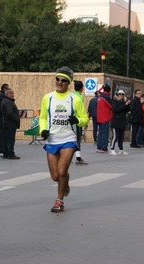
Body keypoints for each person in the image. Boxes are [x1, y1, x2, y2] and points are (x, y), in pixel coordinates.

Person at [39, 66, 88, 213]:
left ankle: (59, 202)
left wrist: (77, 120)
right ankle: (65, 180)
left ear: (69, 83)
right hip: (52, 139)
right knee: (55, 176)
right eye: (57, 79)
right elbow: (42, 117)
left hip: (68, 138)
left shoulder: (75, 99)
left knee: (61, 171)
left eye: (63, 80)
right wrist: (43, 130)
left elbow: (85, 119)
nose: (60, 82)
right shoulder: (48, 98)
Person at [109, 90, 130, 155]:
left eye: (122, 94)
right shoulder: (114, 101)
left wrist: (128, 104)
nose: (121, 95)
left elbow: (127, 110)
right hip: (116, 122)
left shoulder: (123, 102)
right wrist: (125, 104)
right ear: (117, 95)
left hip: (122, 122)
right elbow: (116, 109)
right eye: (120, 94)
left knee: (121, 136)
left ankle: (121, 149)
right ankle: (112, 149)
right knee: (115, 136)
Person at [1, 89, 20, 159]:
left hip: (7, 123)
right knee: (10, 139)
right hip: (10, 124)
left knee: (7, 139)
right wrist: (16, 119)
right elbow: (9, 113)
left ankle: (6, 153)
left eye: (13, 93)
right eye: (11, 93)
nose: (13, 95)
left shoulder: (7, 101)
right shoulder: (8, 102)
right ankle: (10, 153)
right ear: (7, 94)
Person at [73, 80, 87, 165]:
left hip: (70, 121)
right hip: (77, 121)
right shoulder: (80, 97)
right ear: (82, 89)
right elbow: (80, 111)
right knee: (77, 139)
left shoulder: (71, 95)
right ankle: (78, 158)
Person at [96, 84, 112, 153]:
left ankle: (98, 147)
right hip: (105, 117)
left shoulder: (99, 97)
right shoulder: (106, 97)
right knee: (105, 133)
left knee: (100, 133)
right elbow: (112, 106)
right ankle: (103, 148)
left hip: (99, 117)